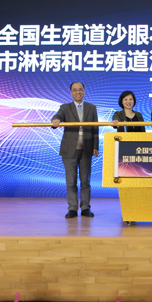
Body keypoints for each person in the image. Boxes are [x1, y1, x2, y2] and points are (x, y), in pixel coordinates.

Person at [51, 82, 99, 219]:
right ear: (71, 93)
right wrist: (55, 120)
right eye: (75, 90)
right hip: (69, 149)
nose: (78, 92)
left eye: (80, 89)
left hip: (87, 149)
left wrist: (96, 146)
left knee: (86, 182)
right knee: (71, 182)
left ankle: (85, 208)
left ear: (84, 91)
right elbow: (58, 116)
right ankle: (72, 208)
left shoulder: (91, 107)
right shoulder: (65, 107)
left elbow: (95, 128)